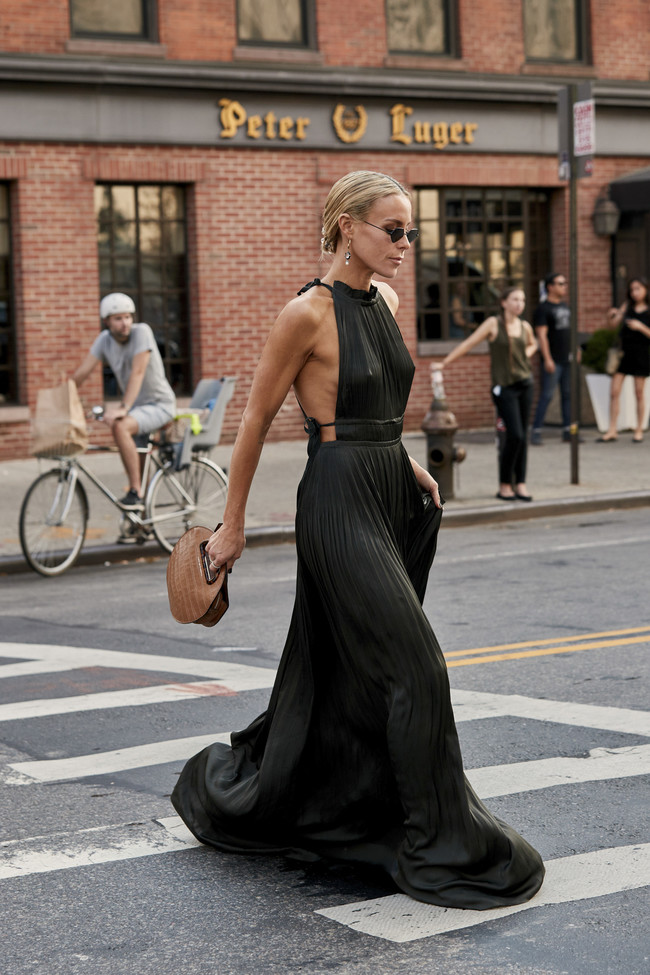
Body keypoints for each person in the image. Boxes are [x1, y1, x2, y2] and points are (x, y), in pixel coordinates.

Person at [171, 171, 545, 910]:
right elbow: (255, 423)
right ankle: (437, 841)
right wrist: (234, 524)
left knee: (356, 670)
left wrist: (406, 460)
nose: (406, 244)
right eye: (393, 229)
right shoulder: (304, 314)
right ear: (347, 225)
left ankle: (351, 806)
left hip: (386, 491)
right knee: (416, 668)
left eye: (411, 231)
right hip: (338, 502)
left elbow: (373, 404)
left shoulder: (389, 302)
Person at [432, 287, 538, 501]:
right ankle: (505, 484)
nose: (520, 303)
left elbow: (533, 343)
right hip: (503, 387)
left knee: (522, 436)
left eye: (523, 300)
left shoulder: (525, 326)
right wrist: (444, 363)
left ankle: (521, 484)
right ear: (504, 302)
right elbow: (469, 343)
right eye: (515, 299)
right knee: (514, 434)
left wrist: (526, 353)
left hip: (525, 384)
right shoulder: (493, 324)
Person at [72, 293, 176, 508]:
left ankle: (135, 491)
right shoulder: (104, 340)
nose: (124, 323)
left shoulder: (142, 332)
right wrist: (62, 399)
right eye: (118, 319)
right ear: (106, 321)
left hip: (160, 404)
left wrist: (123, 408)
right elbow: (82, 374)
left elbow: (138, 372)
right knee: (139, 459)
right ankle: (142, 521)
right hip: (137, 411)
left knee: (120, 427)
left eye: (128, 317)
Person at [599, 277, 650, 443]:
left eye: (638, 289)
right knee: (614, 391)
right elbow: (613, 326)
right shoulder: (627, 306)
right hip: (624, 353)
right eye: (632, 289)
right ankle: (612, 429)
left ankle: (639, 429)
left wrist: (640, 326)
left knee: (639, 393)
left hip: (642, 353)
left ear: (646, 290)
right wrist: (610, 316)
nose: (635, 292)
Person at [530, 272, 571, 445]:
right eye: (560, 283)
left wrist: (575, 348)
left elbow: (569, 331)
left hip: (567, 358)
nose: (564, 286)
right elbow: (542, 336)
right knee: (547, 395)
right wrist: (547, 359)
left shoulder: (565, 306)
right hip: (553, 359)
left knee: (567, 395)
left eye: (565, 283)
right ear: (550, 287)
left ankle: (568, 431)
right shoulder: (543, 309)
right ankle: (536, 431)